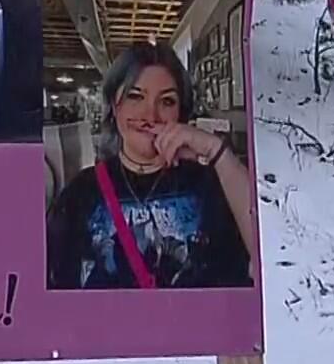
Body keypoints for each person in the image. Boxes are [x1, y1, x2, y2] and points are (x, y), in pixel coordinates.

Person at [45, 41, 254, 289]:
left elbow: (270, 252)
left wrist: (215, 149)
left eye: (167, 101)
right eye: (135, 96)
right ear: (114, 106)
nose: (150, 115)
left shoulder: (212, 183)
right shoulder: (80, 192)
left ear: (181, 112)